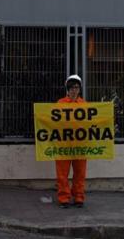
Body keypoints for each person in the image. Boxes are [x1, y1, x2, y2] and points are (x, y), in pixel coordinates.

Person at [55, 74, 88, 209]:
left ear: (79, 89)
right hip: (63, 145)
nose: (74, 90)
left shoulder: (85, 105)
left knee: (80, 173)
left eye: (76, 87)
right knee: (62, 174)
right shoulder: (60, 104)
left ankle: (79, 197)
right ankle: (64, 198)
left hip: (80, 145)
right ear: (67, 90)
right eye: (71, 88)